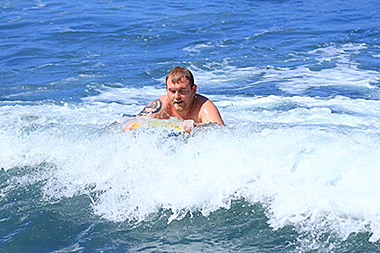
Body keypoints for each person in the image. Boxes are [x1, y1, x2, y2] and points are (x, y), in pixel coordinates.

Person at [123, 66, 224, 132]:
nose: (176, 96)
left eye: (182, 91)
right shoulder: (161, 105)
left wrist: (196, 127)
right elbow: (132, 124)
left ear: (193, 90)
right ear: (166, 90)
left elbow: (221, 131)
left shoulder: (203, 106)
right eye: (172, 91)